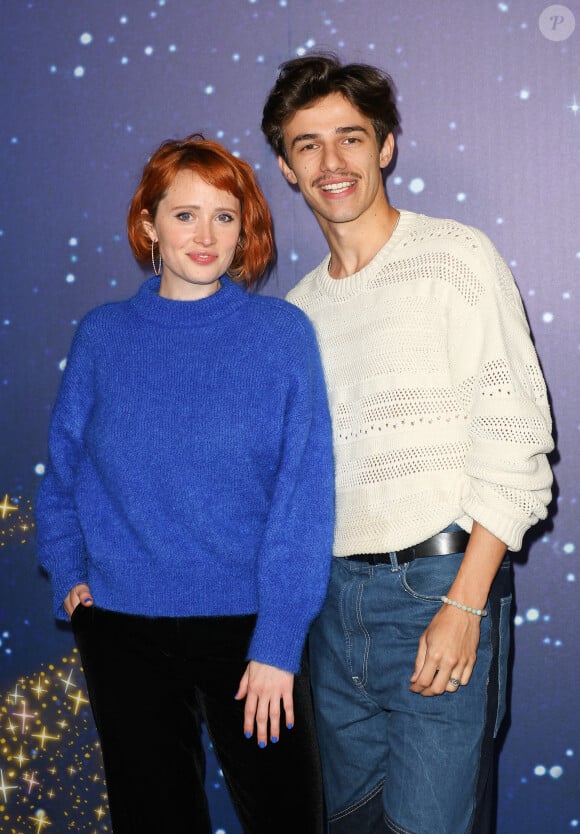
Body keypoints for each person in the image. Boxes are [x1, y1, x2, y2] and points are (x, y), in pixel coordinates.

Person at [261, 54, 554, 834]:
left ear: (385, 146)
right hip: (331, 609)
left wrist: (465, 602)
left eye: (350, 138)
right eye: (307, 144)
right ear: (286, 168)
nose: (332, 163)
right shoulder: (295, 314)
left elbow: (519, 443)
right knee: (352, 824)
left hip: (438, 591)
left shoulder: (456, 259)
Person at [35, 134, 334, 834]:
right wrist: (68, 571)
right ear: (149, 225)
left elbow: (304, 499)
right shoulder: (103, 336)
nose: (206, 235)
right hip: (122, 628)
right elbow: (63, 471)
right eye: (185, 215)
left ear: (246, 229)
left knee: (289, 817)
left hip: (249, 629)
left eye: (225, 216)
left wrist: (278, 642)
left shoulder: (281, 334)